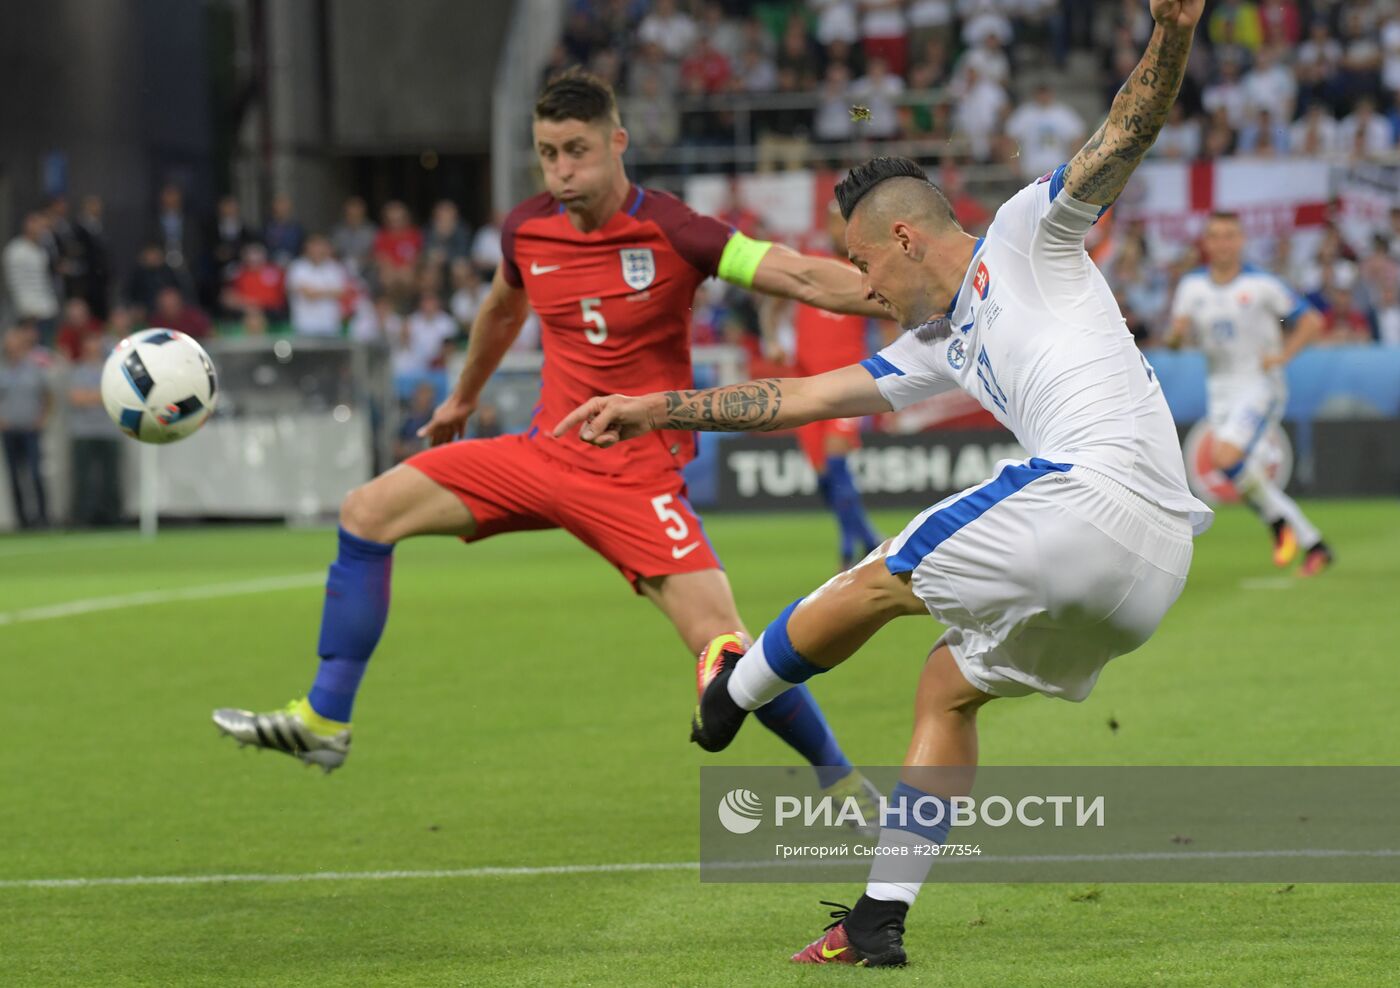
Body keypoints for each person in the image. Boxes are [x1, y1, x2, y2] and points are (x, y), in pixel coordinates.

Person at [555, 1, 1210, 966]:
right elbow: (794, 399)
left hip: (1091, 497)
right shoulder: (937, 345)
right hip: (1155, 572)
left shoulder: (1028, 238)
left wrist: (1174, 31)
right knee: (946, 688)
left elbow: (1125, 133)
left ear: (904, 239)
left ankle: (732, 693)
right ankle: (876, 923)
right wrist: (656, 409)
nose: (862, 289)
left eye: (862, 264)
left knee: (877, 577)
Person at [212, 69, 889, 820]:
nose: (563, 171)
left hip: (635, 476)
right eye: (547, 154)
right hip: (541, 456)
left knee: (726, 649)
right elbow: (503, 309)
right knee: (368, 510)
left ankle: (841, 781)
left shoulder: (678, 231)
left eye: (577, 150)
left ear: (616, 142)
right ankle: (324, 720)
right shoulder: (526, 230)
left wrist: (915, 290)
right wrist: (464, 396)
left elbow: (794, 273)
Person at [1165, 212, 1331, 575]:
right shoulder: (1192, 287)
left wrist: (1283, 356)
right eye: (1215, 236)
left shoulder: (1262, 285)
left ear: (1240, 241)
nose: (1222, 243)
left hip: (1259, 384)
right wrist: (1175, 338)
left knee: (1225, 458)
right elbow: (1176, 336)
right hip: (1220, 388)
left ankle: (1279, 528)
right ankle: (1313, 544)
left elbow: (1312, 321)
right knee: (1246, 476)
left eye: (1229, 236)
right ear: (1206, 243)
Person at [767, 202, 882, 569]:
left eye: (845, 226)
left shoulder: (869, 273)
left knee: (835, 463)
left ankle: (852, 552)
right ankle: (866, 540)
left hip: (850, 385)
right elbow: (773, 299)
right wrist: (774, 338)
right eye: (834, 224)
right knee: (822, 477)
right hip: (807, 386)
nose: (839, 232)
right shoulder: (812, 265)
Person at [66, 333, 122, 526]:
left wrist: (91, 396)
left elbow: (116, 397)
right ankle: (81, 517)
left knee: (111, 478)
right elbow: (76, 399)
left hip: (109, 432)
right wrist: (100, 396)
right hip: (83, 432)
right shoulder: (78, 370)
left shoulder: (112, 370)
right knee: (83, 477)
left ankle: (112, 517)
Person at [0, 323, 51, 529]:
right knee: (14, 476)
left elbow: (48, 396)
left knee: (35, 473)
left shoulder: (34, 368)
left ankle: (42, 517)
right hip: (9, 430)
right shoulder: (2, 369)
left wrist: (42, 418)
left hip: (31, 429)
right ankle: (22, 520)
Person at [3, 214, 60, 341]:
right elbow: (15, 283)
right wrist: (26, 309)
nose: (42, 231)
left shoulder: (42, 251)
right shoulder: (15, 250)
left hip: (46, 310)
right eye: (40, 227)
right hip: (28, 312)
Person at [286, 235, 348, 338]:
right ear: (307, 248)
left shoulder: (335, 268)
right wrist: (328, 292)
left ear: (327, 248)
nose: (317, 250)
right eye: (314, 246)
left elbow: (341, 292)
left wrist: (316, 292)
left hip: (330, 324)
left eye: (321, 246)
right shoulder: (297, 267)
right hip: (304, 325)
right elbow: (308, 294)